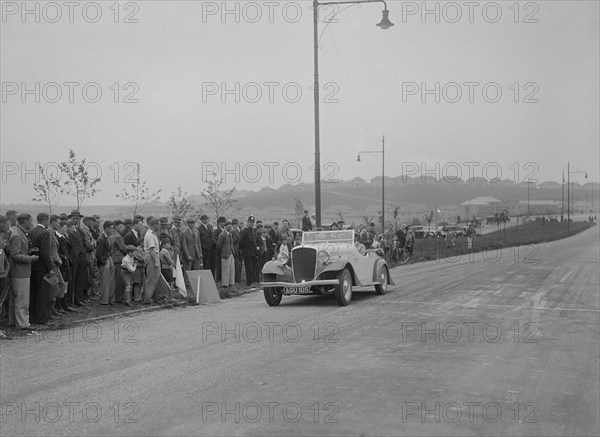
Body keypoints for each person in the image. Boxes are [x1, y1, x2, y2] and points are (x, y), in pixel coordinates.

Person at [8, 214, 39, 333]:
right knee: (22, 299)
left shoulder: (19, 232)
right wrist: (31, 258)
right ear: (25, 221)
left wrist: (29, 252)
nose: (32, 223)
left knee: (14, 298)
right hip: (20, 272)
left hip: (19, 271)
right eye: (30, 221)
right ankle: (22, 323)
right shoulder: (17, 235)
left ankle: (13, 321)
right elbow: (15, 255)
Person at [29, 212, 57, 325]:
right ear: (44, 220)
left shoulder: (32, 231)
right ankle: (42, 318)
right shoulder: (45, 233)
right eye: (48, 220)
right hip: (42, 267)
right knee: (43, 294)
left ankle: (33, 316)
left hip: (33, 266)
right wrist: (49, 268)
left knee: (34, 292)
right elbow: (45, 253)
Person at [97, 221, 116, 305]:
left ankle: (110, 299)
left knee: (111, 281)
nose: (112, 230)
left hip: (109, 260)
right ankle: (104, 300)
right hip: (105, 261)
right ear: (106, 228)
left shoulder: (107, 238)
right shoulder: (101, 239)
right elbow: (98, 254)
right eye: (111, 228)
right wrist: (104, 262)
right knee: (105, 282)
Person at [143, 218, 161, 304]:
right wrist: (156, 261)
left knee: (155, 277)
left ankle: (153, 296)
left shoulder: (154, 234)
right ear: (154, 225)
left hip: (155, 255)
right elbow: (151, 249)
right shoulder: (149, 235)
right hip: (151, 256)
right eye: (159, 224)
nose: (160, 226)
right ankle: (147, 298)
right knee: (151, 278)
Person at [239, 215, 259, 288]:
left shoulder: (253, 231)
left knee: (254, 268)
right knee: (249, 268)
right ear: (247, 222)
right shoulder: (244, 231)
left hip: (253, 252)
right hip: (247, 252)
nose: (251, 224)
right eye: (250, 222)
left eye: (252, 222)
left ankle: (254, 281)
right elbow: (241, 242)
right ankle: (249, 282)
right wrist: (245, 249)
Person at [216, 221, 235, 298]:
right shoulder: (222, 235)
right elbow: (219, 245)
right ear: (225, 226)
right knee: (225, 270)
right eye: (229, 226)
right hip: (225, 254)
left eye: (231, 226)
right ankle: (225, 285)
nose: (230, 228)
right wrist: (220, 254)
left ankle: (231, 284)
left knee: (231, 270)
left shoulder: (230, 234)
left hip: (230, 253)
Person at [159, 235, 175, 302]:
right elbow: (170, 261)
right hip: (167, 268)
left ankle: (166, 296)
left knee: (165, 283)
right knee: (171, 282)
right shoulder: (165, 251)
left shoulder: (161, 251)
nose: (169, 245)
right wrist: (172, 261)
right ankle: (170, 297)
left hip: (162, 267)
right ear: (164, 245)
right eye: (168, 244)